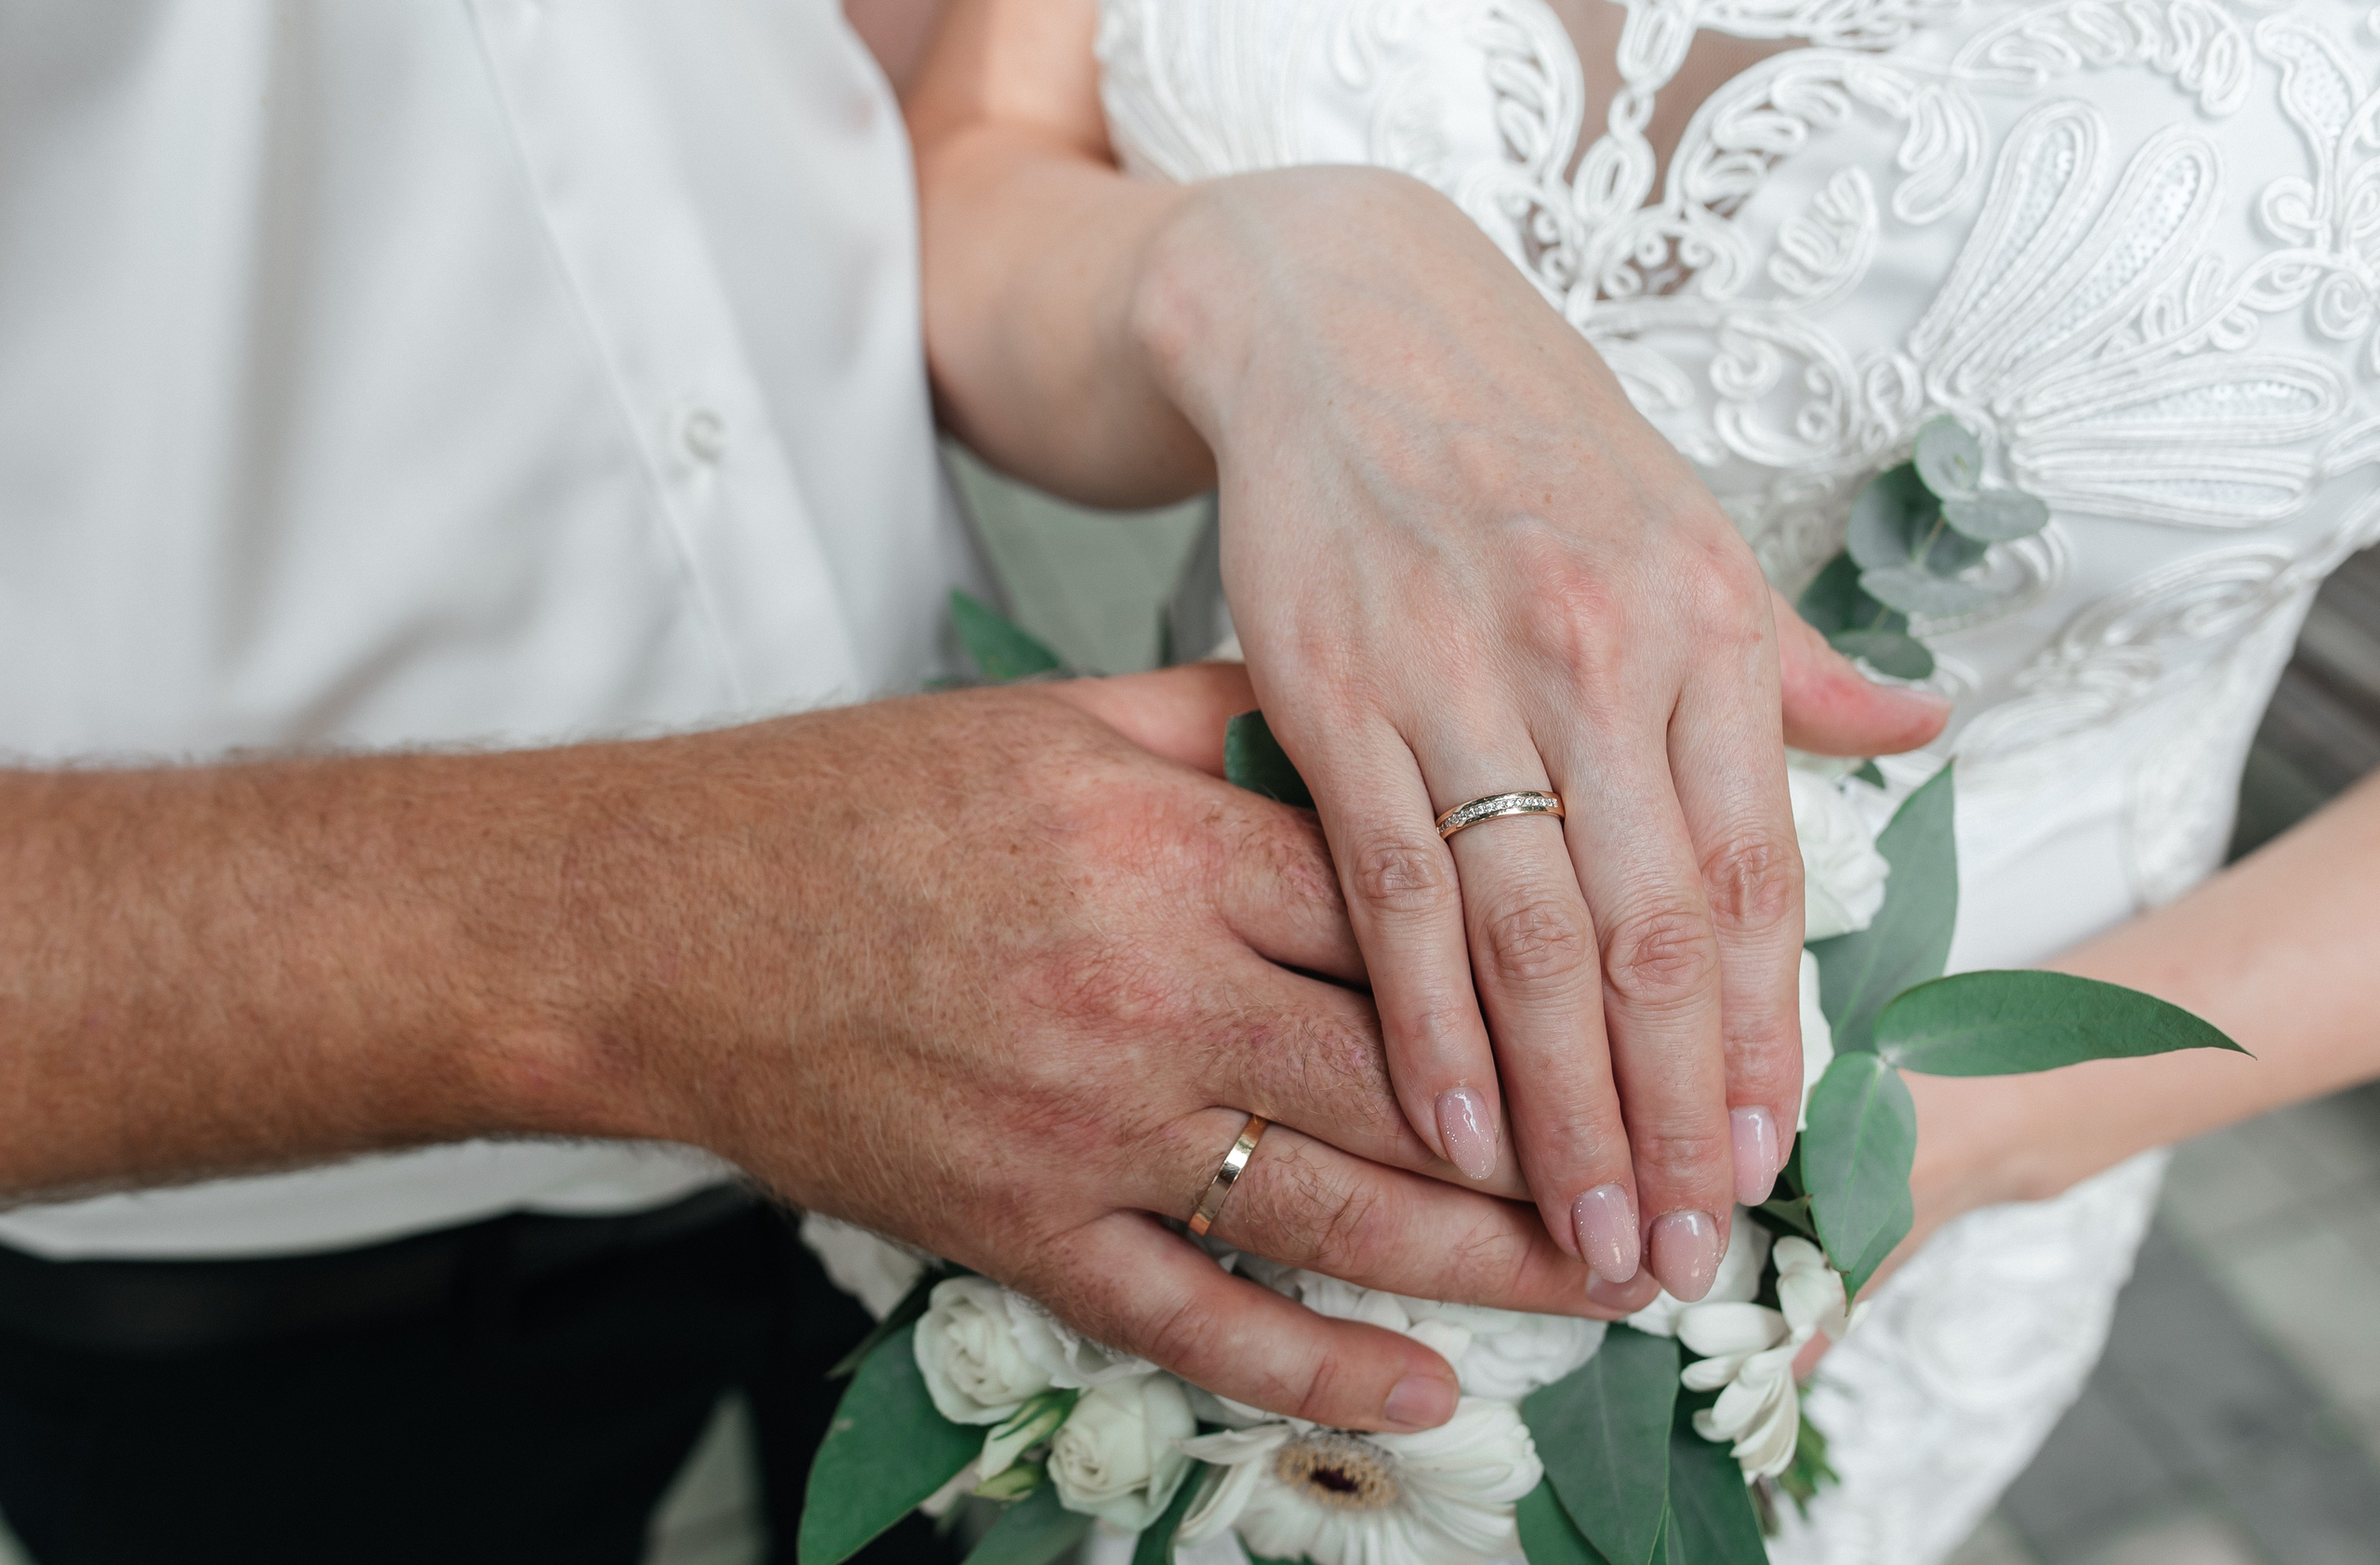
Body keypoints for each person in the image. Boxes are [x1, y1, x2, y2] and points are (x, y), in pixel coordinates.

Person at [0, 2, 1943, 1558]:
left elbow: (910, 95)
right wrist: (662, 928)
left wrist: (1256, 261)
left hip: (1068, 950)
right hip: (258, 1182)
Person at [906, 0, 2380, 1559]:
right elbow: (975, 172)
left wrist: (1920, 1151)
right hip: (1196, 1077)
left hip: (1895, 1191)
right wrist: (1259, 279)